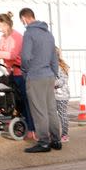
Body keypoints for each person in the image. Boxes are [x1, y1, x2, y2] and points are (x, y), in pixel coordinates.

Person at [0, 11, 34, 139]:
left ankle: (32, 129)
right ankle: (23, 125)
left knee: (25, 101)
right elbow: (0, 54)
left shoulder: (17, 37)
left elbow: (12, 55)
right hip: (9, 72)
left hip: (20, 73)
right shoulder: (2, 38)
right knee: (16, 102)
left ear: (4, 24)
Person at [19, 8, 60, 153]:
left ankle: (43, 142)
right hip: (49, 75)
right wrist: (54, 74)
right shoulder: (48, 34)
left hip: (35, 76)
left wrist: (25, 71)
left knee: (39, 111)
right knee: (51, 110)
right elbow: (54, 58)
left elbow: (25, 57)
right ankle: (56, 140)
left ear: (24, 18)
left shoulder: (29, 33)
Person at [54, 48, 70, 142]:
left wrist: (52, 83)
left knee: (62, 115)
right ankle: (54, 134)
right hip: (54, 95)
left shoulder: (60, 66)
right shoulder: (53, 66)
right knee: (53, 115)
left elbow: (62, 81)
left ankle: (65, 135)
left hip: (62, 96)